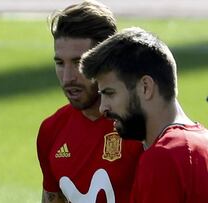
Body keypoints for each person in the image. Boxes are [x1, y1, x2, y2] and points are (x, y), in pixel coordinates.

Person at [80, 27, 208, 203]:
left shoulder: (162, 158)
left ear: (145, 87)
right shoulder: (202, 142)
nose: (103, 108)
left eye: (110, 93)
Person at [36, 1, 144, 202]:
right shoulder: (52, 131)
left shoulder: (143, 127)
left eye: (79, 62)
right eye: (60, 63)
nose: (68, 77)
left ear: (108, 60)